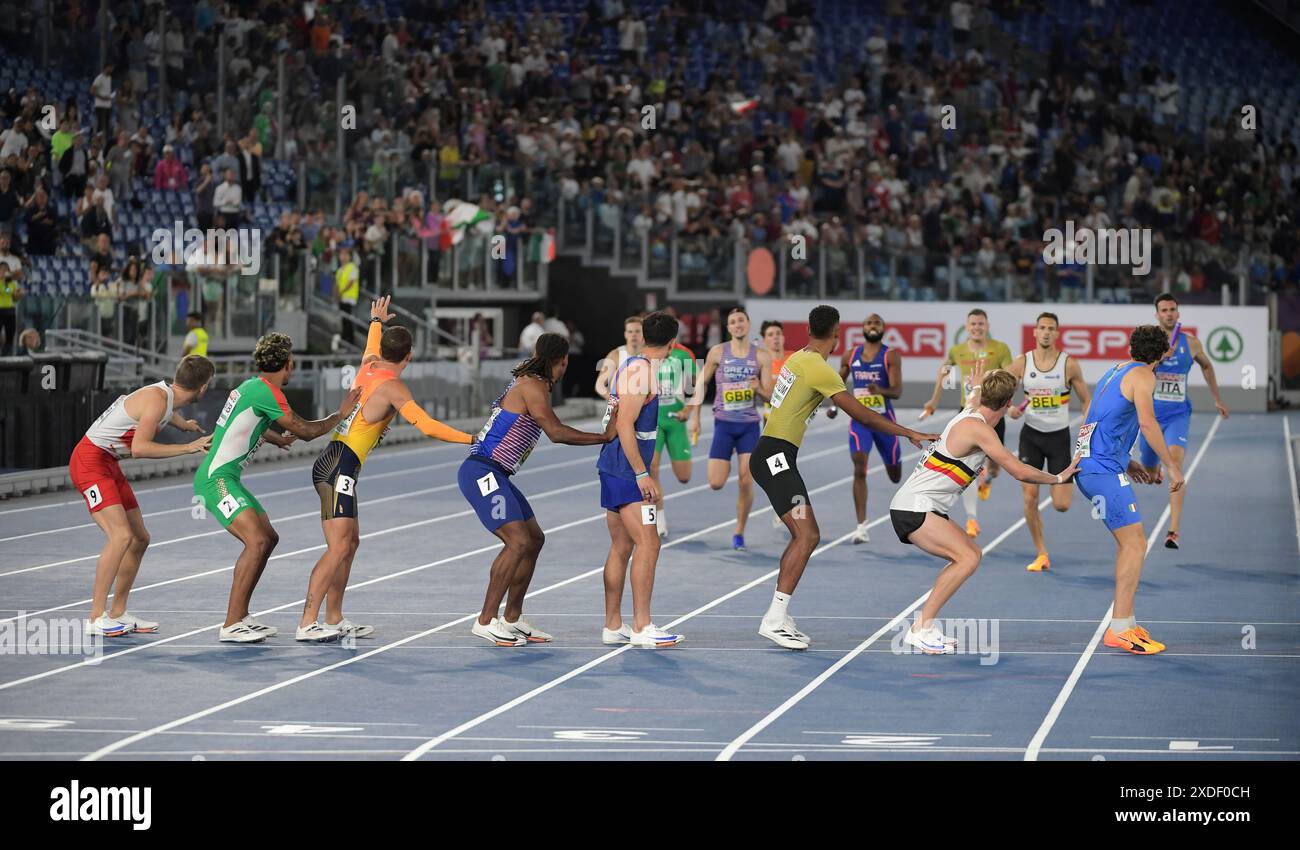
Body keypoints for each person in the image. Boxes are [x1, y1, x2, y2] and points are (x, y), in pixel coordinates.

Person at [749, 305, 938, 649]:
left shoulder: (797, 359)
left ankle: (779, 613)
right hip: (776, 458)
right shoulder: (818, 368)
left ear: (809, 330)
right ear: (836, 335)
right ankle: (774, 618)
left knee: (801, 534)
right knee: (807, 536)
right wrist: (909, 432)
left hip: (772, 455)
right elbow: (864, 416)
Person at [301, 298, 474, 641]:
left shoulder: (369, 365)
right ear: (410, 356)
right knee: (338, 548)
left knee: (350, 544)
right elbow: (426, 426)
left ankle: (334, 617)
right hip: (339, 467)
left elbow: (369, 345)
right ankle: (307, 622)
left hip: (339, 464)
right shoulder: (394, 387)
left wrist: (376, 321)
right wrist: (471, 438)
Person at [890, 363, 1080, 654]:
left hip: (919, 507)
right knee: (966, 557)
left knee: (968, 555)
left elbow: (972, 399)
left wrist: (978, 385)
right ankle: (920, 628)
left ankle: (924, 626)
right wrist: (1059, 477)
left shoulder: (969, 414)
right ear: (1008, 403)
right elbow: (1018, 470)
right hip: (915, 508)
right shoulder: (980, 430)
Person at [195, 332, 361, 643]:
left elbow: (244, 422)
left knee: (268, 538)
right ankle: (231, 624)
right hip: (216, 480)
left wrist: (275, 437)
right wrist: (342, 413)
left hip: (226, 477)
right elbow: (308, 431)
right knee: (256, 542)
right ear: (288, 364)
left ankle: (242, 616)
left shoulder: (250, 388)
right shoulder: (268, 393)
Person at [461, 332, 616, 646]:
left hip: (497, 474)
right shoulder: (532, 386)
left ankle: (513, 618)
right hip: (481, 472)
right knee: (517, 541)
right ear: (563, 361)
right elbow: (556, 433)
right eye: (563, 365)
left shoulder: (532, 380)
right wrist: (604, 437)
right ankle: (485, 620)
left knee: (533, 539)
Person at [70, 356, 214, 635]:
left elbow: (165, 412)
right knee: (121, 536)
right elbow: (140, 449)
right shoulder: (157, 399)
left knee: (139, 539)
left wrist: (183, 425)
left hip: (108, 462)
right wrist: (188, 448)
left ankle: (119, 611)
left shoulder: (165, 394)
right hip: (90, 462)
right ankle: (96, 617)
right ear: (204, 388)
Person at [1075, 325, 1185, 654]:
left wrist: (1125, 460)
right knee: (1135, 544)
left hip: (1095, 464)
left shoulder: (1116, 368)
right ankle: (1120, 628)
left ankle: (1127, 623)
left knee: (1132, 543)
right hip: (1101, 470)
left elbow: (1096, 418)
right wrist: (1171, 465)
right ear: (1163, 354)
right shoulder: (1144, 377)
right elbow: (1148, 423)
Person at [597, 311, 683, 648]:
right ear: (672, 344)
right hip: (625, 471)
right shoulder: (642, 372)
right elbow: (623, 425)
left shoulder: (632, 364)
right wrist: (642, 474)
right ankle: (642, 626)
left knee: (622, 545)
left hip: (615, 467)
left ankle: (613, 625)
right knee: (650, 543)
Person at [1137, 293, 1229, 549]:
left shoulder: (1192, 343)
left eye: (1172, 309)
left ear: (1178, 313)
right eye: (1164, 310)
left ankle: (1173, 531)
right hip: (1151, 417)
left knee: (1175, 466)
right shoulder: (1149, 344)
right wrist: (1157, 361)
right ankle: (1155, 472)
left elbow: (1207, 367)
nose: (1168, 313)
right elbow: (1134, 371)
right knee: (1151, 472)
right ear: (1156, 315)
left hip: (1178, 415)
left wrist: (1217, 399)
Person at [1006, 312, 1091, 571]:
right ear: (1034, 331)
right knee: (1030, 498)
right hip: (1030, 436)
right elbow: (1002, 393)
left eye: (1050, 328)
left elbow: (1087, 400)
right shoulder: (1022, 363)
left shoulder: (1069, 365)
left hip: (1059, 439)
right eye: (1041, 328)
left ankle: (1063, 490)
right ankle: (1041, 552)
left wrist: (1086, 431)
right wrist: (1010, 409)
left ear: (1057, 333)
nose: (1045, 332)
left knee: (1061, 505)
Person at [919, 308, 1013, 537]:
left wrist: (1007, 402)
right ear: (967, 327)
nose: (977, 327)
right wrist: (934, 400)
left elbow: (1011, 376)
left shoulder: (1000, 349)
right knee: (968, 467)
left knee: (994, 465)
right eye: (973, 324)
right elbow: (943, 371)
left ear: (987, 326)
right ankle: (972, 519)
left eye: (981, 324)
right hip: (969, 412)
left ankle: (989, 477)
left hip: (992, 413)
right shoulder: (957, 350)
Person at [686, 307, 774, 551]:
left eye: (741, 321)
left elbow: (770, 395)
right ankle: (728, 456)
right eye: (733, 322)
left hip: (748, 426)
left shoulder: (762, 356)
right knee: (716, 483)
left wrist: (758, 388)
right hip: (723, 424)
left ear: (748, 324)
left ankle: (739, 532)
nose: (737, 325)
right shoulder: (717, 352)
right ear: (728, 327)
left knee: (746, 480)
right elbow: (700, 385)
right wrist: (695, 418)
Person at [826, 313, 903, 543]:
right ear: (863, 328)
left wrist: (880, 390)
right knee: (859, 465)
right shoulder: (851, 355)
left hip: (884, 421)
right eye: (869, 323)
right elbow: (836, 384)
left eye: (877, 323)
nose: (872, 326)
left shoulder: (890, 355)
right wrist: (834, 407)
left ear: (883, 328)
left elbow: (897, 391)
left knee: (895, 476)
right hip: (860, 421)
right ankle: (861, 526)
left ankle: (894, 463)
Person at [649, 333, 698, 538]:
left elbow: (698, 387)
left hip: (677, 420)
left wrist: (691, 414)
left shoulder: (684, 354)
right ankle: (658, 519)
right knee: (651, 470)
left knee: (684, 477)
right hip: (654, 421)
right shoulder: (648, 354)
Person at [594, 315, 644, 398]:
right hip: (621, 406)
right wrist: (614, 401)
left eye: (637, 331)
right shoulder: (616, 354)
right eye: (630, 332)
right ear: (625, 334)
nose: (633, 335)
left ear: (644, 334)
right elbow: (599, 385)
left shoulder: (651, 354)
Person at [334, 246, 359, 348]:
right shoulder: (340, 270)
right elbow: (337, 284)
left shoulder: (352, 267)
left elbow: (351, 282)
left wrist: (341, 292)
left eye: (345, 254)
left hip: (350, 298)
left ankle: (350, 342)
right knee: (344, 321)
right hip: (342, 298)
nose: (343, 256)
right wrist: (337, 294)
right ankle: (345, 341)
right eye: (342, 254)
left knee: (348, 321)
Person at [0, 260, 20, 355]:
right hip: (0, 310)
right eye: (2, 270)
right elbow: (5, 291)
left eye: (6, 270)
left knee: (10, 336)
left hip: (10, 311)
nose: (4, 272)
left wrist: (18, 294)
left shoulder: (11, 283)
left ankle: (5, 357)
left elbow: (13, 296)